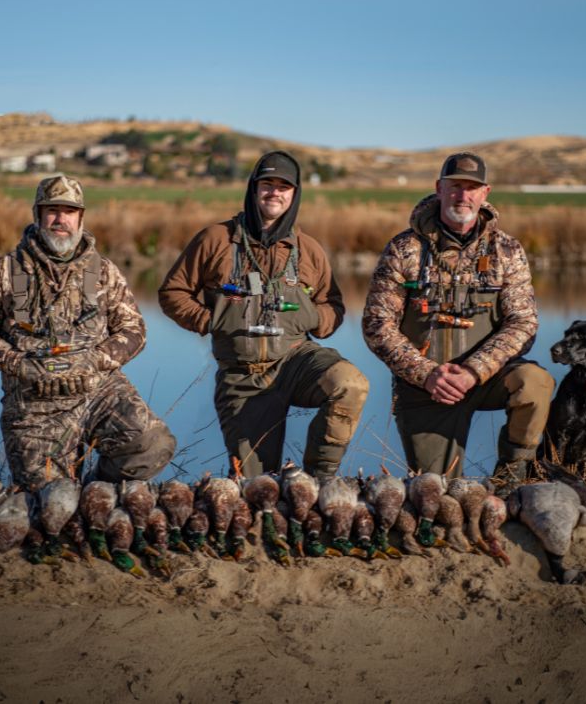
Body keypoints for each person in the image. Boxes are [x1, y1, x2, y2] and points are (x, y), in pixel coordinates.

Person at [159, 151, 368, 480]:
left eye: (283, 186)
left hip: (296, 361)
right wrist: (209, 321)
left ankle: (318, 478)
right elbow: (173, 292)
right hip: (243, 376)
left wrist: (313, 318)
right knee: (257, 484)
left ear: (294, 194)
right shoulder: (216, 239)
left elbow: (335, 306)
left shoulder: (308, 249)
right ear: (253, 189)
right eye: (267, 184)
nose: (275, 192)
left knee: (350, 384)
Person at [0, 174, 176, 490]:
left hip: (97, 390)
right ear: (38, 215)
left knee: (153, 444)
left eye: (69, 211)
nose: (60, 219)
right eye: (52, 210)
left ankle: (97, 489)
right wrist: (18, 363)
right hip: (34, 403)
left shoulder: (103, 271)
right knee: (49, 497)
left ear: (80, 217)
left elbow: (134, 331)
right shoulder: (7, 270)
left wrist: (95, 360)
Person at [362, 152, 554, 492]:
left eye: (471, 188)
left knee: (535, 382)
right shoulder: (404, 248)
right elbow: (377, 325)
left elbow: (523, 324)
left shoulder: (506, 250)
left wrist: (472, 372)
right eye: (454, 186)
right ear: (439, 188)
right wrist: (426, 374)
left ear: (485, 193)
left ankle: (509, 479)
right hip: (425, 387)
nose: (462, 196)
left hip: (487, 378)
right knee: (435, 490)